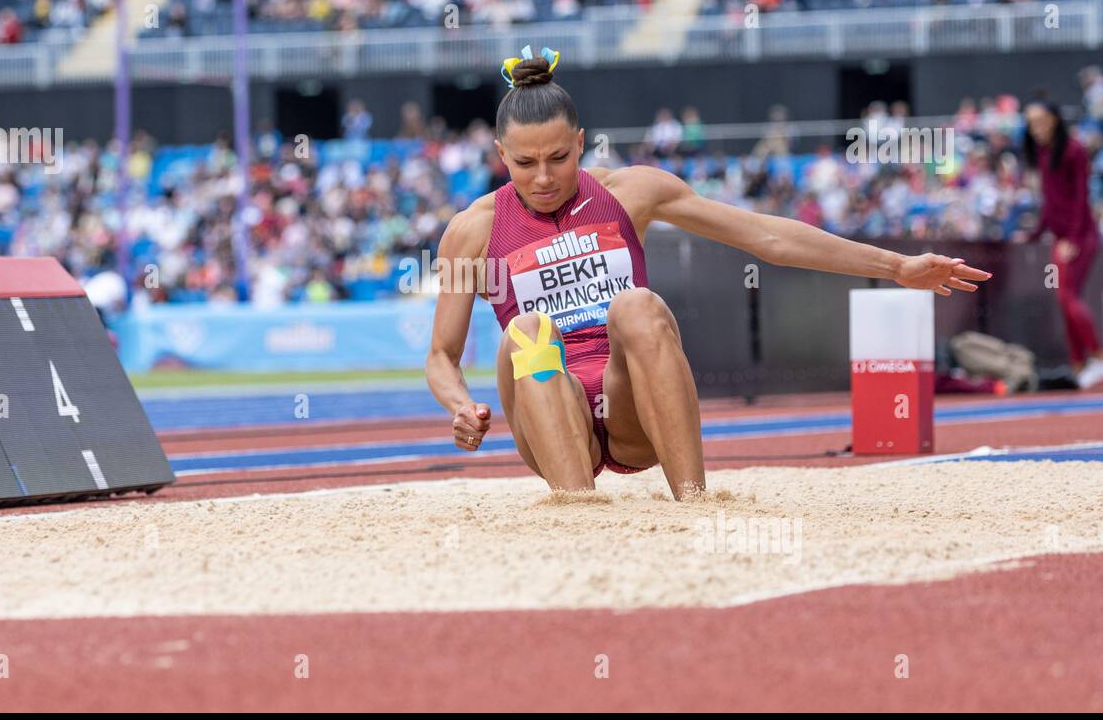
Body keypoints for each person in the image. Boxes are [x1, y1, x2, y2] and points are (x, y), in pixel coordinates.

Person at [425, 47, 993, 498]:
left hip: (633, 408)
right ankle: (578, 509)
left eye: (559, 159)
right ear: (502, 154)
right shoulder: (473, 231)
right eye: (525, 163)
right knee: (525, 331)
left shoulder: (631, 192)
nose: (544, 177)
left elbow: (767, 237)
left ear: (581, 144)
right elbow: (442, 356)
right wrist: (459, 406)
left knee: (637, 304)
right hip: (550, 408)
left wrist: (896, 266)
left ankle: (694, 501)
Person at [1016, 101, 1103, 388]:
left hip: (1080, 237)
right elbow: (1051, 202)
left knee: (1067, 295)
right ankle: (1080, 364)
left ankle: (1097, 358)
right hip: (1060, 238)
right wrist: (1034, 233)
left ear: (1054, 119)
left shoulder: (1073, 150)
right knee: (1062, 297)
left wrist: (1075, 239)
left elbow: (1081, 197)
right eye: (1031, 122)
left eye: (1040, 120)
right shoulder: (1044, 153)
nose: (1035, 127)